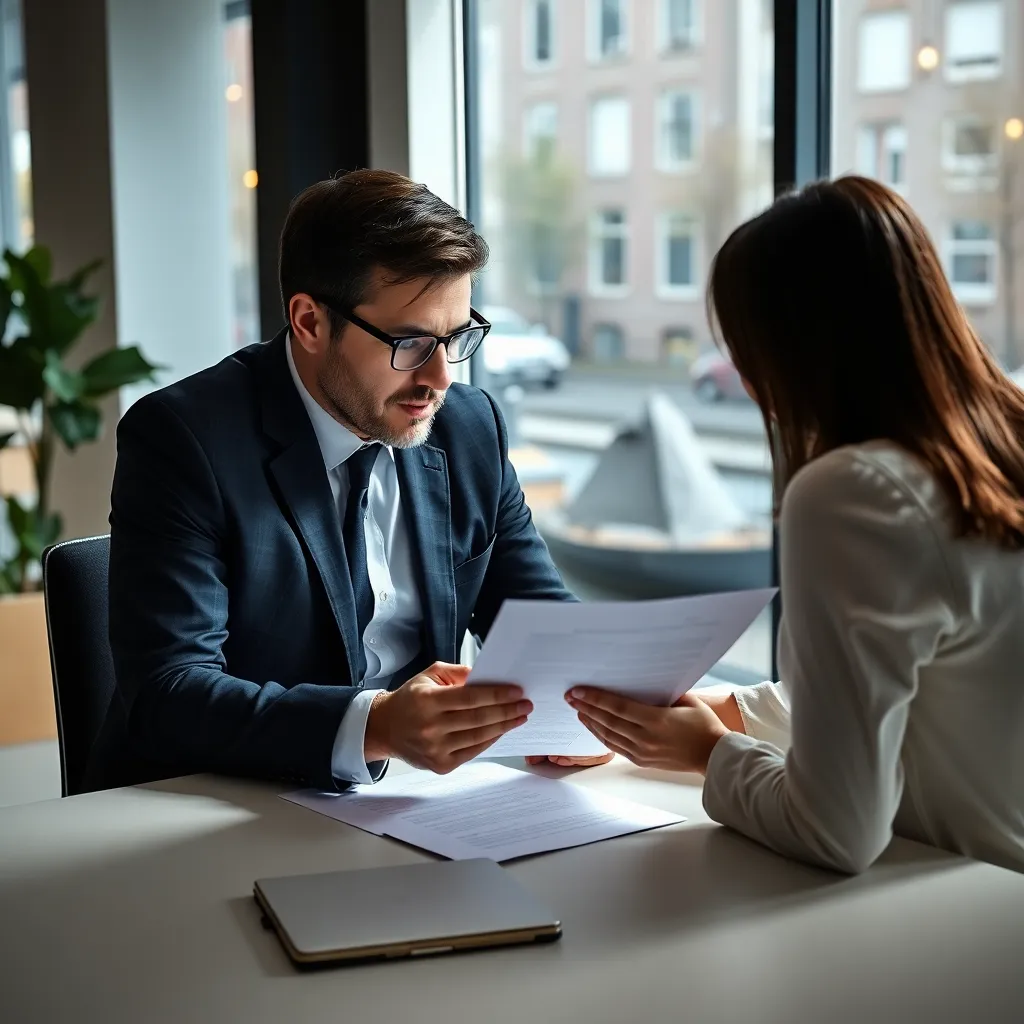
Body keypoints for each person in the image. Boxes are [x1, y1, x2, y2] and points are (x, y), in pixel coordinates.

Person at [92, 169, 610, 792]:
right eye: (412, 342)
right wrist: (376, 726)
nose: (441, 378)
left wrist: (592, 705)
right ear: (309, 321)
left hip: (411, 804)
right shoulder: (184, 439)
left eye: (457, 338)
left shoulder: (469, 428)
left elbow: (537, 621)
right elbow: (168, 694)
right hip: (213, 803)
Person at [569, 176, 1024, 875]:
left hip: (963, 915)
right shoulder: (996, 445)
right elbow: (925, 695)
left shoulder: (855, 493)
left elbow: (838, 830)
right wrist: (723, 711)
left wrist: (703, 753)